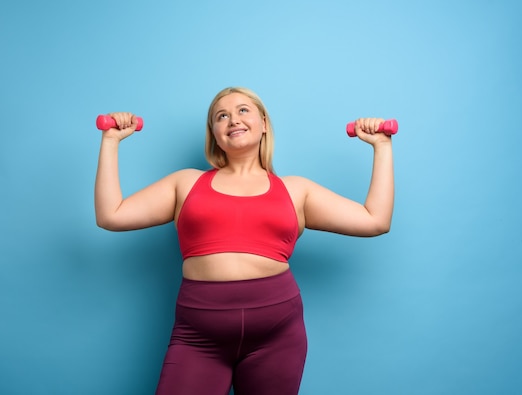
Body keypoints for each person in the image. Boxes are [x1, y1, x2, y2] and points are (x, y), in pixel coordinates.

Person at [94, 87, 394, 395]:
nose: (232, 119)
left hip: (277, 336)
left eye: (242, 110)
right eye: (221, 116)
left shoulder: (296, 191)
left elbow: (375, 220)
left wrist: (382, 147)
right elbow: (111, 215)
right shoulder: (185, 183)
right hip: (199, 337)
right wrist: (110, 141)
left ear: (264, 123)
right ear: (214, 133)